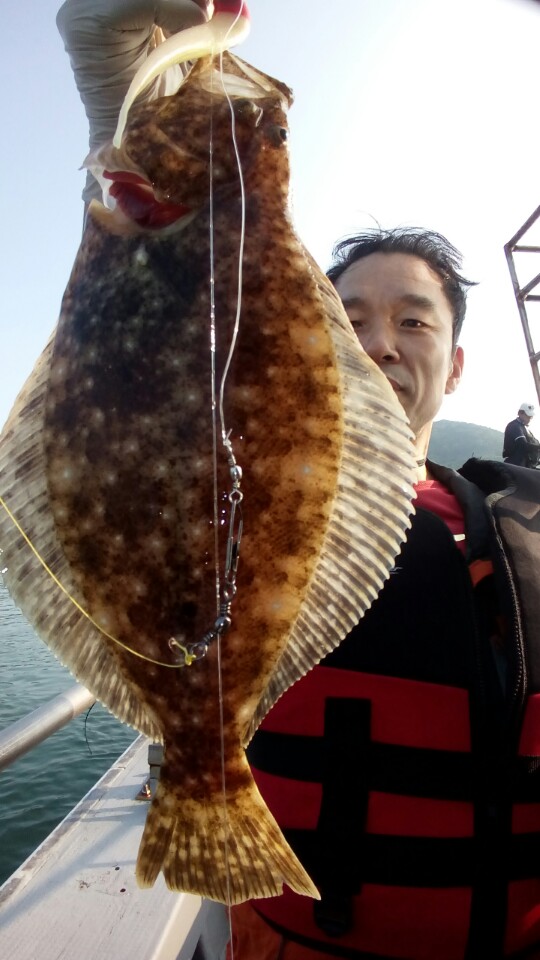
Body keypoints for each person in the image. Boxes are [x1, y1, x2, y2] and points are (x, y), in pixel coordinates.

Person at [57, 3, 540, 958]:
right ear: (309, 338)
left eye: (413, 321)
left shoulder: (523, 528)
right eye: (347, 317)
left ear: (456, 367)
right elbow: (157, 308)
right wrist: (121, 94)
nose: (379, 342)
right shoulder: (235, 464)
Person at [503, 402, 540, 468]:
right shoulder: (515, 426)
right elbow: (523, 445)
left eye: (530, 417)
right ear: (520, 413)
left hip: (526, 465)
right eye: (527, 416)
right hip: (515, 465)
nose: (529, 419)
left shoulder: (524, 428)